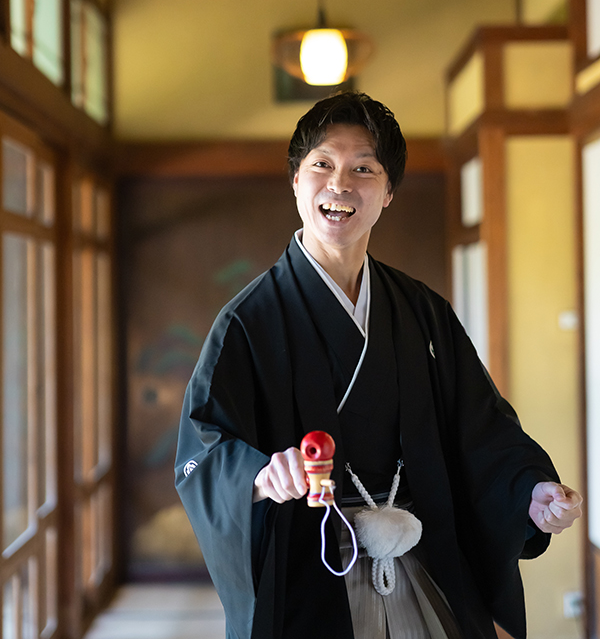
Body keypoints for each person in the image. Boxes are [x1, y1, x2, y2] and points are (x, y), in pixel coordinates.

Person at [175, 91, 582, 639]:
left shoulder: (421, 311)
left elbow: (481, 427)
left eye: (363, 169)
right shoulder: (249, 321)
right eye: (322, 165)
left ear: (388, 192)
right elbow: (205, 448)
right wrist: (260, 475)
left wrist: (528, 489)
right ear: (296, 180)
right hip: (311, 568)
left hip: (420, 560)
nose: (340, 185)